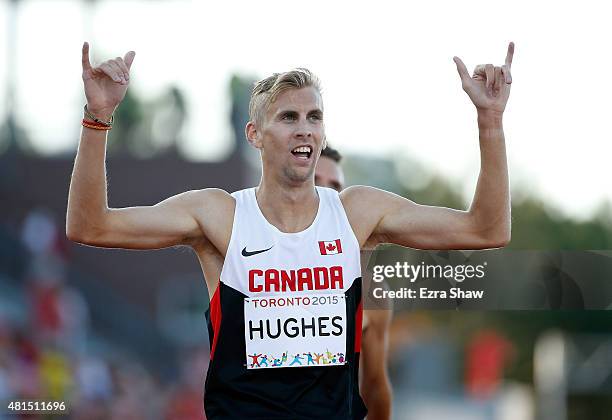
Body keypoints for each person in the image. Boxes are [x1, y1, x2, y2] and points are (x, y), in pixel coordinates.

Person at [67, 41, 514, 419]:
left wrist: (490, 122)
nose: (305, 129)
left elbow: (486, 230)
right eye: (288, 117)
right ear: (255, 134)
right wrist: (97, 116)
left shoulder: (357, 213)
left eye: (313, 117)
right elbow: (91, 226)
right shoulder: (220, 216)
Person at [315, 145, 392, 419]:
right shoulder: (252, 268)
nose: (326, 194)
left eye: (335, 187)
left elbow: (375, 387)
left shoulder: (370, 290)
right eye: (315, 182)